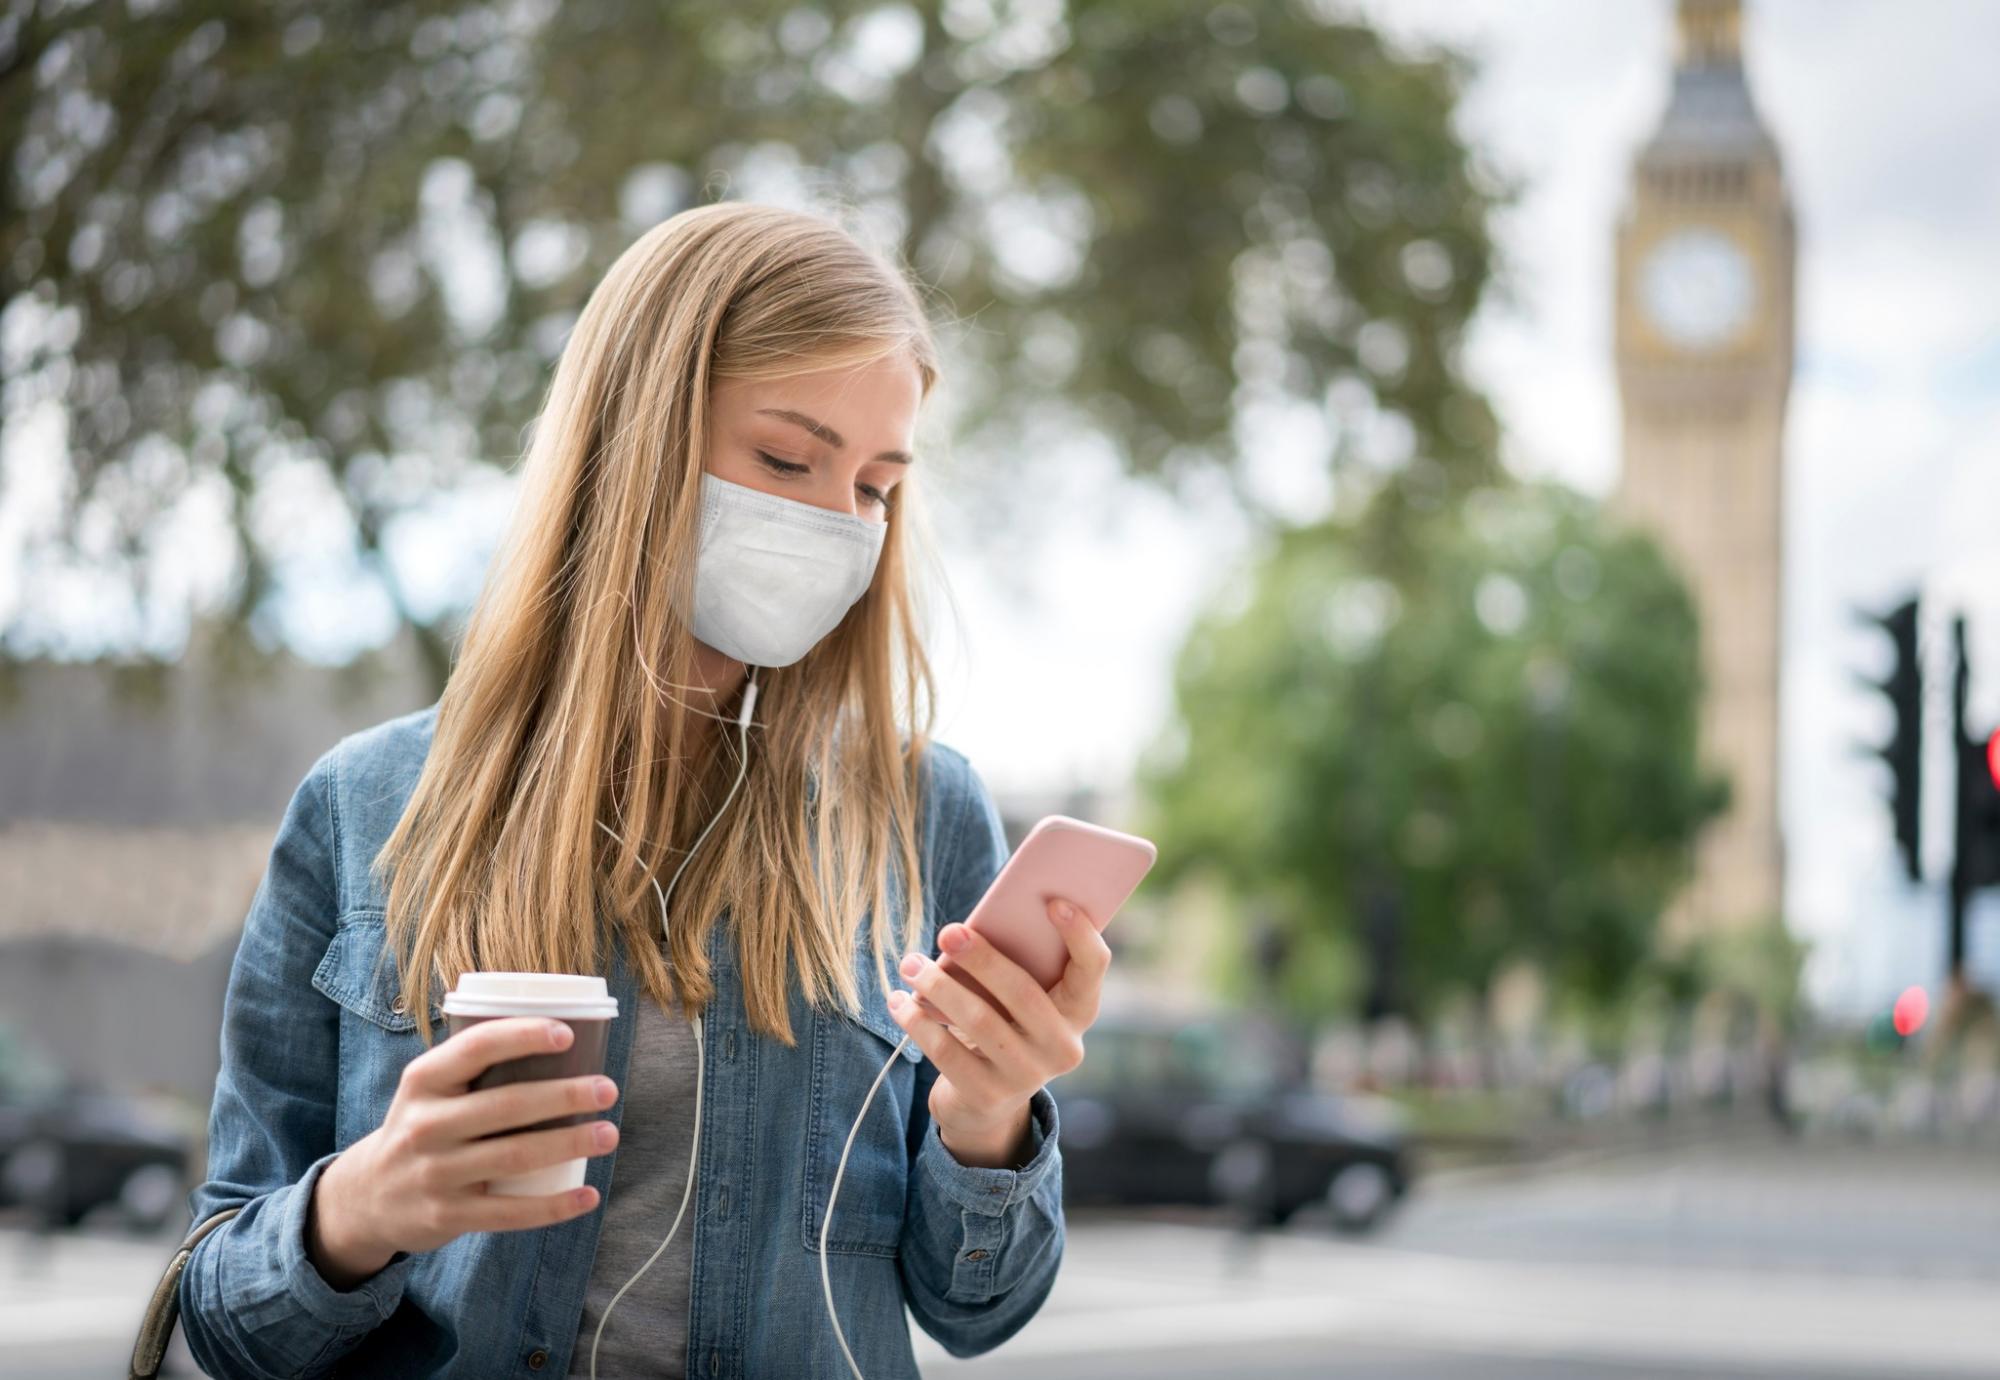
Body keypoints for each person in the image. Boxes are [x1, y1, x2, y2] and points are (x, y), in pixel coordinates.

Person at [177, 201, 1110, 1379]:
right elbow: (221, 1319)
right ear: (633, 440)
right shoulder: (364, 806)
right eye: (784, 458)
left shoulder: (923, 818)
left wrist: (990, 1119)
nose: (837, 522)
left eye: (875, 487)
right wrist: (358, 1211)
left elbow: (980, 1312)